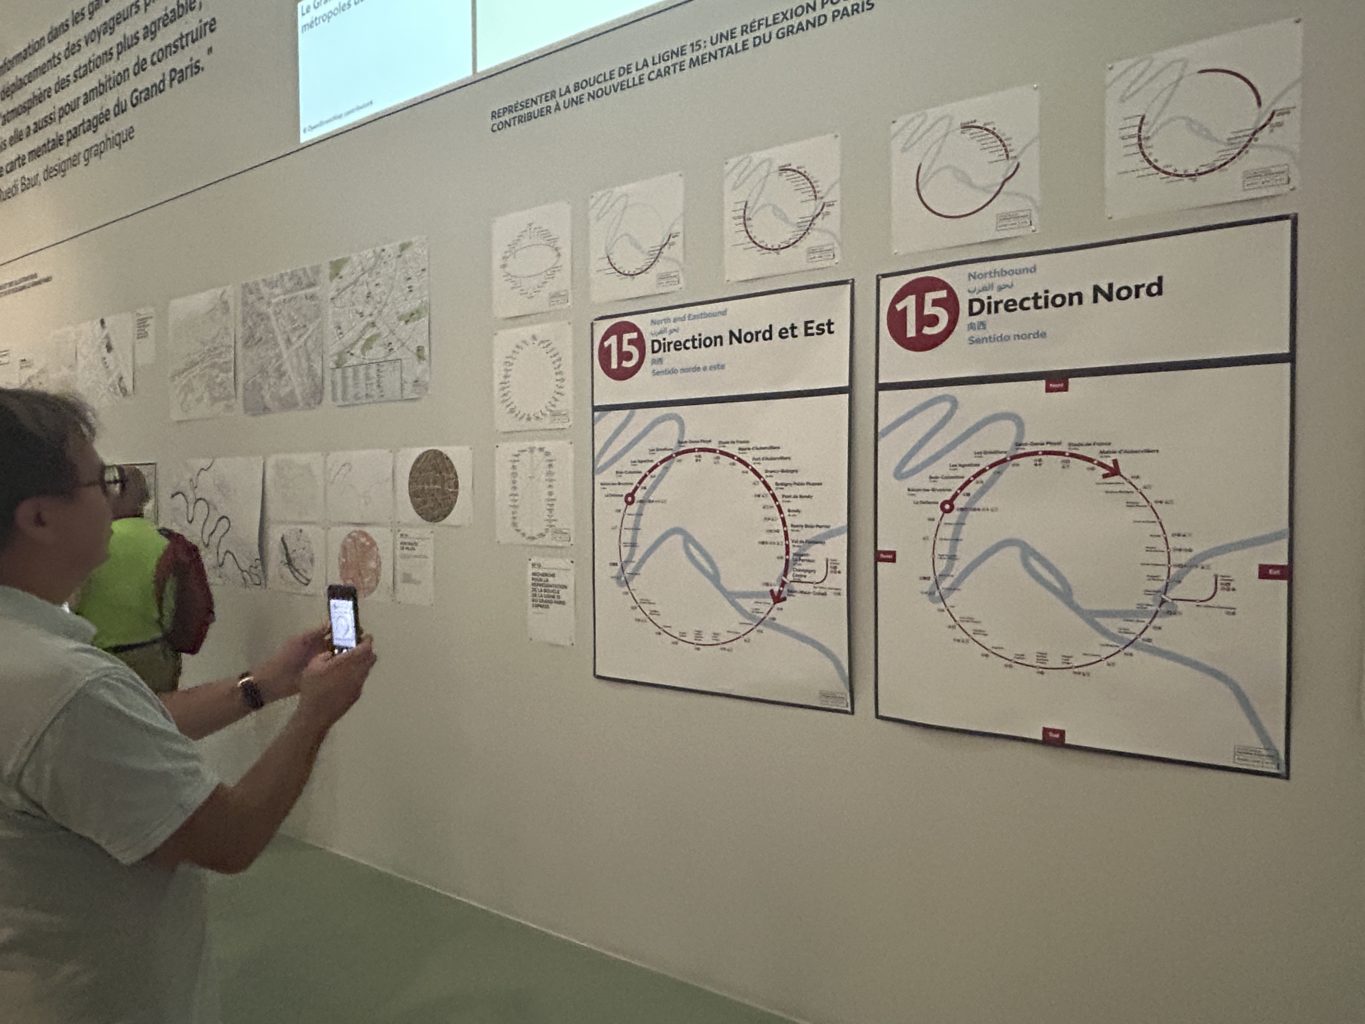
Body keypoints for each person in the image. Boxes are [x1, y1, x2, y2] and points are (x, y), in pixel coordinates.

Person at [0, 388, 379, 1023]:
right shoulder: (66, 688)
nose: (115, 499)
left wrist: (263, 684)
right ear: (39, 518)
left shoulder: (39, 670)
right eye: (101, 481)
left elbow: (119, 738)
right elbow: (231, 837)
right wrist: (316, 713)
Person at [72, 464, 186, 693]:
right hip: (154, 656)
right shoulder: (167, 543)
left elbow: (72, 603)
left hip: (97, 656)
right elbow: (172, 610)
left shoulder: (90, 542)